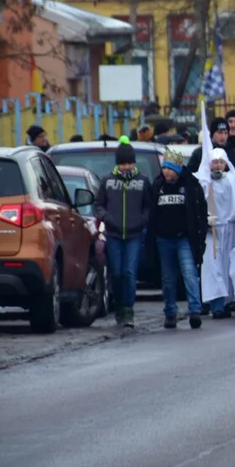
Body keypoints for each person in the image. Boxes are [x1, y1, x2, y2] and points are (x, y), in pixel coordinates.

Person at [93, 136, 152, 328]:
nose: (126, 167)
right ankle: (119, 305)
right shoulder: (107, 181)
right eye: (123, 163)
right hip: (114, 235)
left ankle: (128, 310)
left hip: (135, 235)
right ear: (118, 163)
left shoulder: (142, 181)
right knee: (117, 273)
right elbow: (99, 205)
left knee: (130, 273)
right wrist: (107, 218)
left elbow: (149, 206)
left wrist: (142, 221)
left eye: (129, 163)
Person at [149, 149, 208, 329]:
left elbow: (200, 213)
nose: (167, 172)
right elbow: (152, 214)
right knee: (168, 279)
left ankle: (195, 311)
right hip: (163, 239)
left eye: (171, 169)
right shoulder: (157, 186)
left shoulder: (191, 185)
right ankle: (170, 312)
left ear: (178, 169)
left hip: (184, 238)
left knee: (190, 274)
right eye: (165, 168)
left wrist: (200, 239)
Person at [200, 148, 235, 319]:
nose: (217, 166)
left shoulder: (232, 181)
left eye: (220, 162)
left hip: (228, 229)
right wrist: (206, 219)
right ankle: (216, 304)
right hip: (212, 230)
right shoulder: (204, 182)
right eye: (214, 162)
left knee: (226, 266)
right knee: (213, 265)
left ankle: (225, 302)